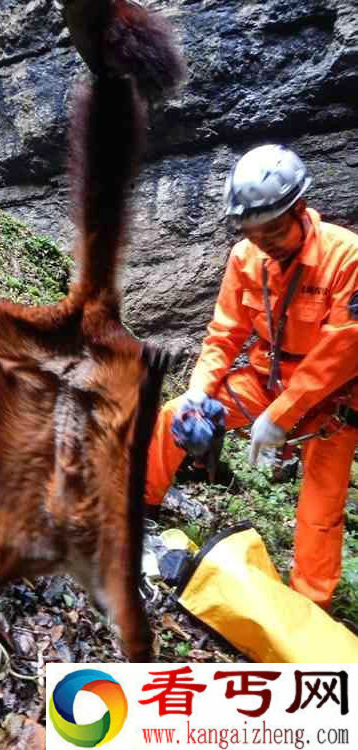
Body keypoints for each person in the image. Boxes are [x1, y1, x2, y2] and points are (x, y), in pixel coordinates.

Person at [145, 144, 358, 610]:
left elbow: (344, 349)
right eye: (252, 231)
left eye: (273, 230)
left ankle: (309, 605)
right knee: (171, 417)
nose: (264, 241)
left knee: (320, 507)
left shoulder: (347, 257)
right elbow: (225, 333)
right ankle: (139, 510)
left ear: (299, 209)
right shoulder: (246, 257)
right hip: (267, 377)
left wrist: (282, 416)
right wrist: (198, 393)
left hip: (335, 399)